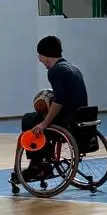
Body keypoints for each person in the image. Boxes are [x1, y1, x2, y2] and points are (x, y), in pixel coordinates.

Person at [15, 35, 89, 182]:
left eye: (39, 56)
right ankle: (42, 160)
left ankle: (38, 165)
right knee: (36, 119)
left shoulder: (55, 71)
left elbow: (59, 101)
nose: (40, 60)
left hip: (67, 120)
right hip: (81, 117)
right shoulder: (73, 68)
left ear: (44, 55)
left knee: (30, 120)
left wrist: (44, 124)